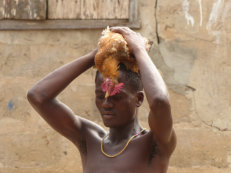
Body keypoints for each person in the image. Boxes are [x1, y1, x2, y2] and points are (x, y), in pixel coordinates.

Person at [27, 27, 176, 173]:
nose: (106, 104)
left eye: (116, 97)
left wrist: (139, 50)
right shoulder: (88, 139)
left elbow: (160, 101)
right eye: (100, 96)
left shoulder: (155, 143)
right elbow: (38, 96)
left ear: (138, 99)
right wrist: (96, 55)